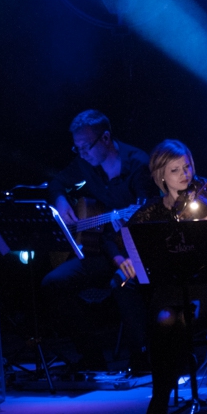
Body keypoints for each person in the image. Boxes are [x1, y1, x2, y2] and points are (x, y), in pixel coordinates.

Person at [123, 140, 207, 414]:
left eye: (187, 166)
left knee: (181, 318)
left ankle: (163, 395)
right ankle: (161, 396)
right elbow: (126, 240)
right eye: (175, 170)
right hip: (171, 290)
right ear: (160, 176)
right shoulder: (151, 213)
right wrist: (127, 258)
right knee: (164, 318)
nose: (185, 174)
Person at [43, 110, 156, 371]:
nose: (81, 153)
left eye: (86, 146)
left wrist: (119, 253)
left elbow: (145, 218)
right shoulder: (85, 163)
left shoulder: (138, 165)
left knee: (124, 280)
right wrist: (60, 200)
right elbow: (56, 183)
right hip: (104, 248)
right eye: (77, 147)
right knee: (53, 283)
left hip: (135, 250)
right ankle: (92, 357)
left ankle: (141, 357)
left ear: (105, 138)